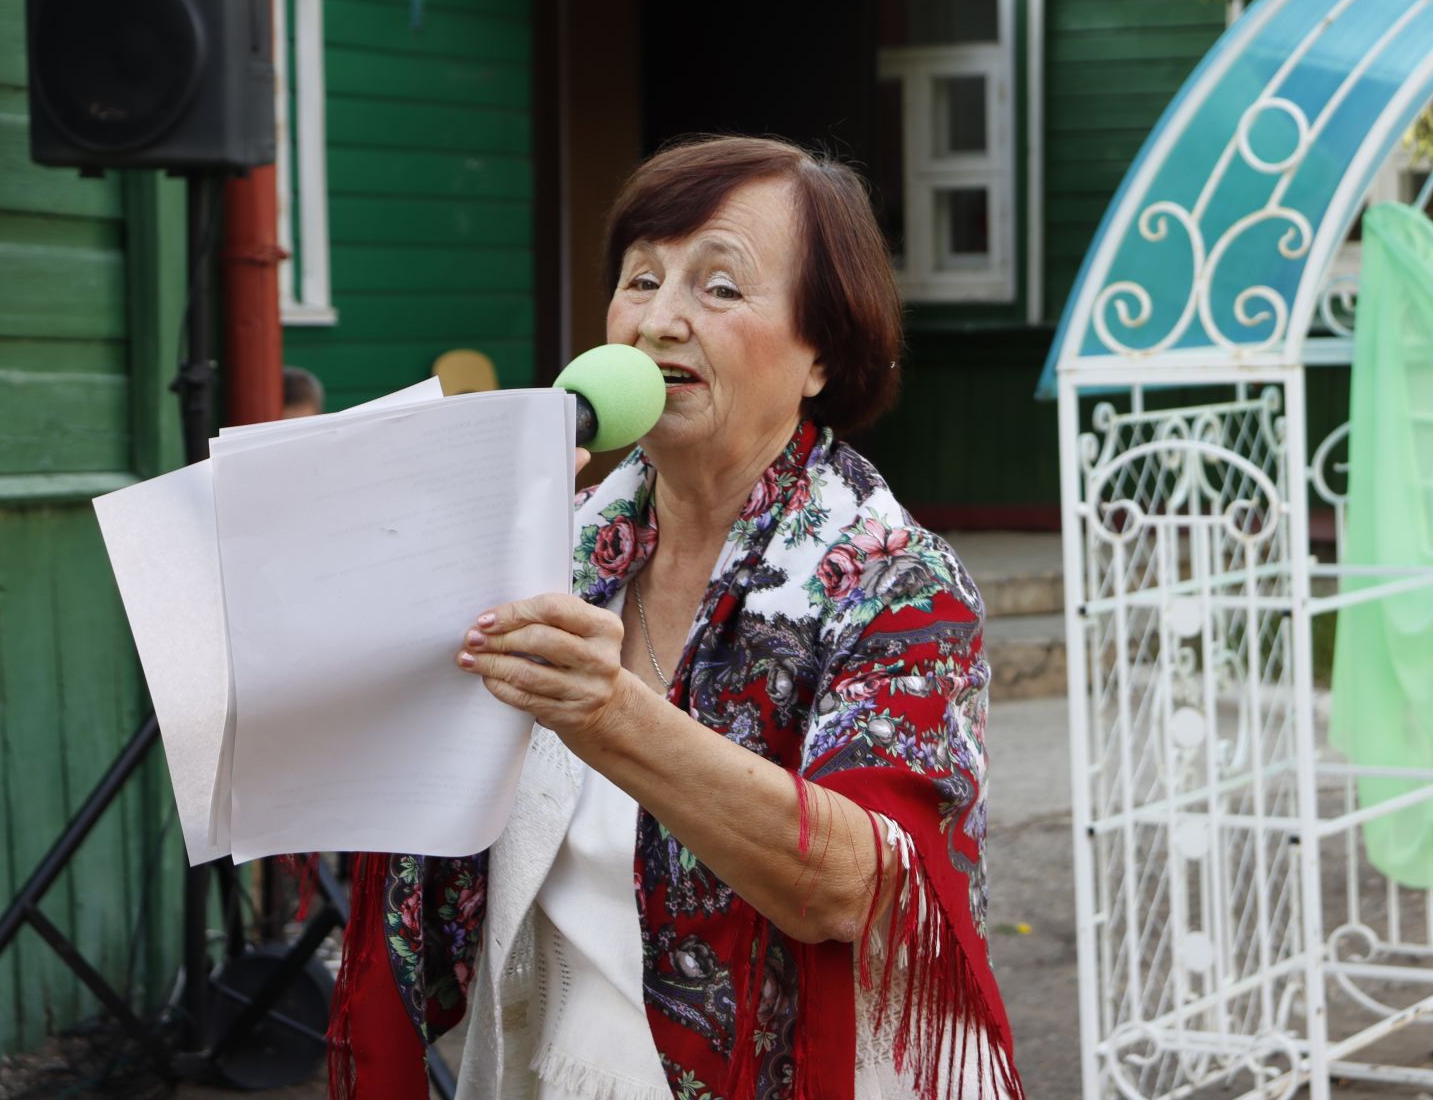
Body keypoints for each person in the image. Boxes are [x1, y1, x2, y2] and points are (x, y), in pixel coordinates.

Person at [329, 137, 1023, 1100]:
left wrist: (608, 713)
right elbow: (434, 838)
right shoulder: (555, 550)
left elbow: (860, 887)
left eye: (720, 288)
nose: (659, 321)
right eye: (640, 279)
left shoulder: (897, 580)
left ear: (822, 354)